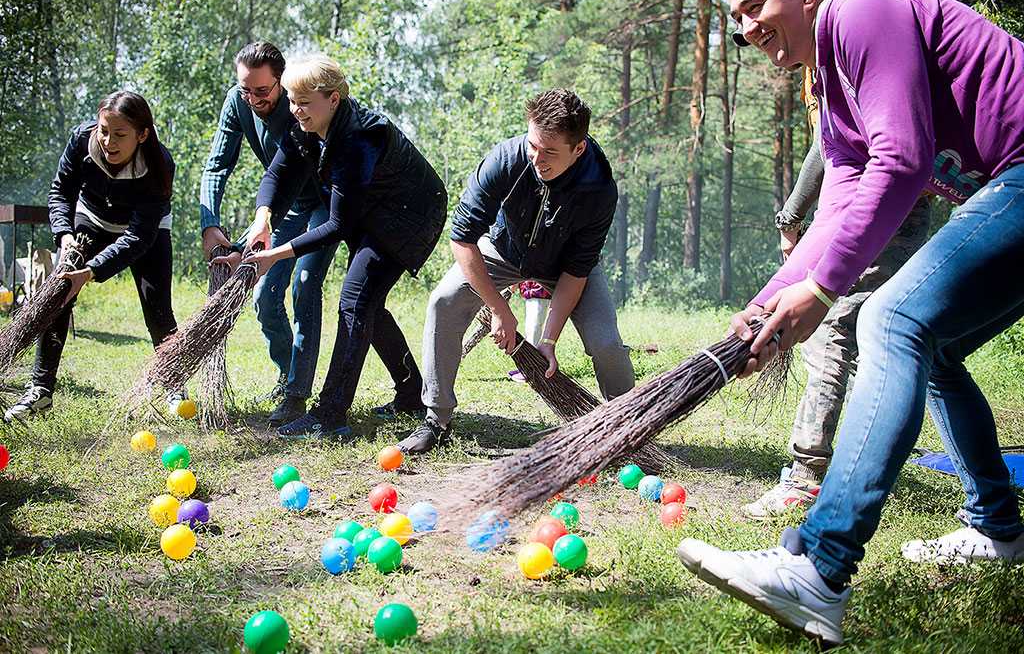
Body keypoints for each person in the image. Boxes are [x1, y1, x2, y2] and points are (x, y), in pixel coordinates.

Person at [678, 0, 1024, 646]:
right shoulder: (832, 93)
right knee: (935, 349)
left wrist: (827, 290)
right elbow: (835, 212)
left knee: (892, 321)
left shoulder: (861, 16)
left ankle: (819, 565)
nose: (747, 29)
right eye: (736, 18)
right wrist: (762, 307)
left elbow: (901, 160)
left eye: (756, 7)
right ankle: (997, 526)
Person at [201, 43, 427, 428]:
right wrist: (260, 223)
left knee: (354, 300)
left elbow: (336, 224)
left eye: (303, 102)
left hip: (408, 216)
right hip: (371, 212)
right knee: (368, 303)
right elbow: (276, 174)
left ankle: (328, 415)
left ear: (333, 99)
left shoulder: (357, 140)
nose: (295, 110)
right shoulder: (307, 126)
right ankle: (411, 394)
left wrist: (275, 256)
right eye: (291, 101)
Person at [400, 88, 634, 454]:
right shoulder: (506, 160)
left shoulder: (599, 188)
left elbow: (576, 270)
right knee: (443, 301)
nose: (537, 159)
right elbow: (462, 239)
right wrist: (499, 309)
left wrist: (549, 340)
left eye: (550, 153)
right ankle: (437, 419)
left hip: (566, 266)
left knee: (605, 342)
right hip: (505, 251)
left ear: (579, 149)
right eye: (533, 145)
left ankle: (628, 426)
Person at [743, 65, 932, 518]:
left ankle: (807, 476)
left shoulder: (842, 57)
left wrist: (794, 222)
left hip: (878, 204)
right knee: (882, 338)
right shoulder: (822, 65)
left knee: (832, 334)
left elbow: (843, 154)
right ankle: (870, 462)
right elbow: (828, 148)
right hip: (893, 202)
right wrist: (795, 222)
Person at [5, 91, 178, 421]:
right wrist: (65, 235)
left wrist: (92, 270)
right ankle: (40, 392)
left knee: (156, 304)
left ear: (142, 134)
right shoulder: (81, 141)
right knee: (60, 292)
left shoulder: (160, 165)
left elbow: (138, 238)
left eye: (120, 135)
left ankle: (173, 383)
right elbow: (60, 192)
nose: (108, 142)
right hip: (92, 219)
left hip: (144, 230)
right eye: (103, 131)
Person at [508, 280, 552, 382]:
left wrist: (515, 281)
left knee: (533, 328)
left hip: (539, 288)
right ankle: (529, 366)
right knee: (531, 327)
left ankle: (531, 369)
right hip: (532, 287)